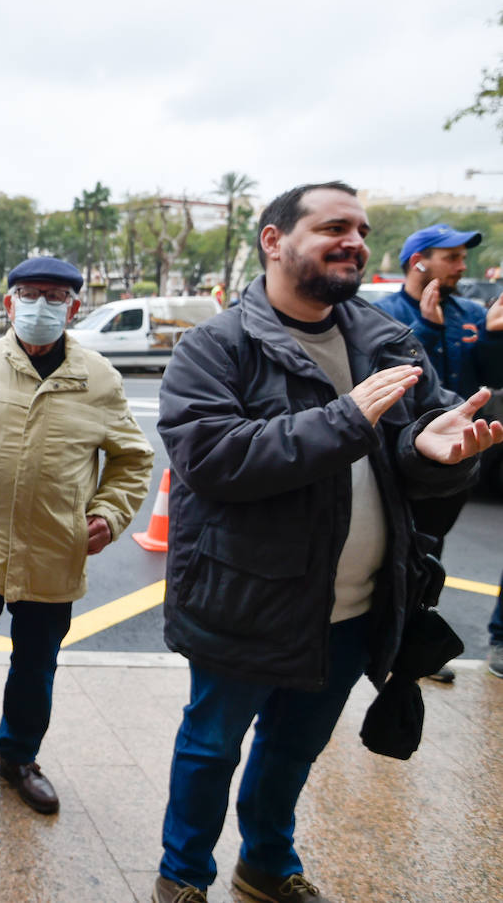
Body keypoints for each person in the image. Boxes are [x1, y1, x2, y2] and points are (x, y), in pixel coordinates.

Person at [151, 183, 503, 903]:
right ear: (274, 241)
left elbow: (411, 450)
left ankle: (267, 863)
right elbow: (215, 458)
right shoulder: (216, 346)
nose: (355, 241)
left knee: (294, 747)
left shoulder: (384, 339)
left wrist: (440, 456)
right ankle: (183, 874)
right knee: (212, 745)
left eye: (363, 229)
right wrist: (346, 420)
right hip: (245, 602)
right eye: (333, 226)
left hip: (357, 605)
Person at [0, 255, 154, 817]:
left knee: (36, 666)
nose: (41, 305)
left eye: (55, 296)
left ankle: (18, 758)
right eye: (30, 293)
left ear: (74, 306)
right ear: (8, 301)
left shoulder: (99, 378)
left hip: (53, 554)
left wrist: (110, 513)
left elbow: (133, 459)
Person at [373, 224, 503, 683]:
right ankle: (377, 641)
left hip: (456, 456)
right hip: (398, 454)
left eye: (463, 257)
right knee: (385, 546)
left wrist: (491, 339)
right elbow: (397, 378)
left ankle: (410, 643)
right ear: (418, 261)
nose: (462, 266)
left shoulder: (471, 312)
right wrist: (425, 330)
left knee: (430, 549)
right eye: (452, 257)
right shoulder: (382, 312)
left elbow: (490, 379)